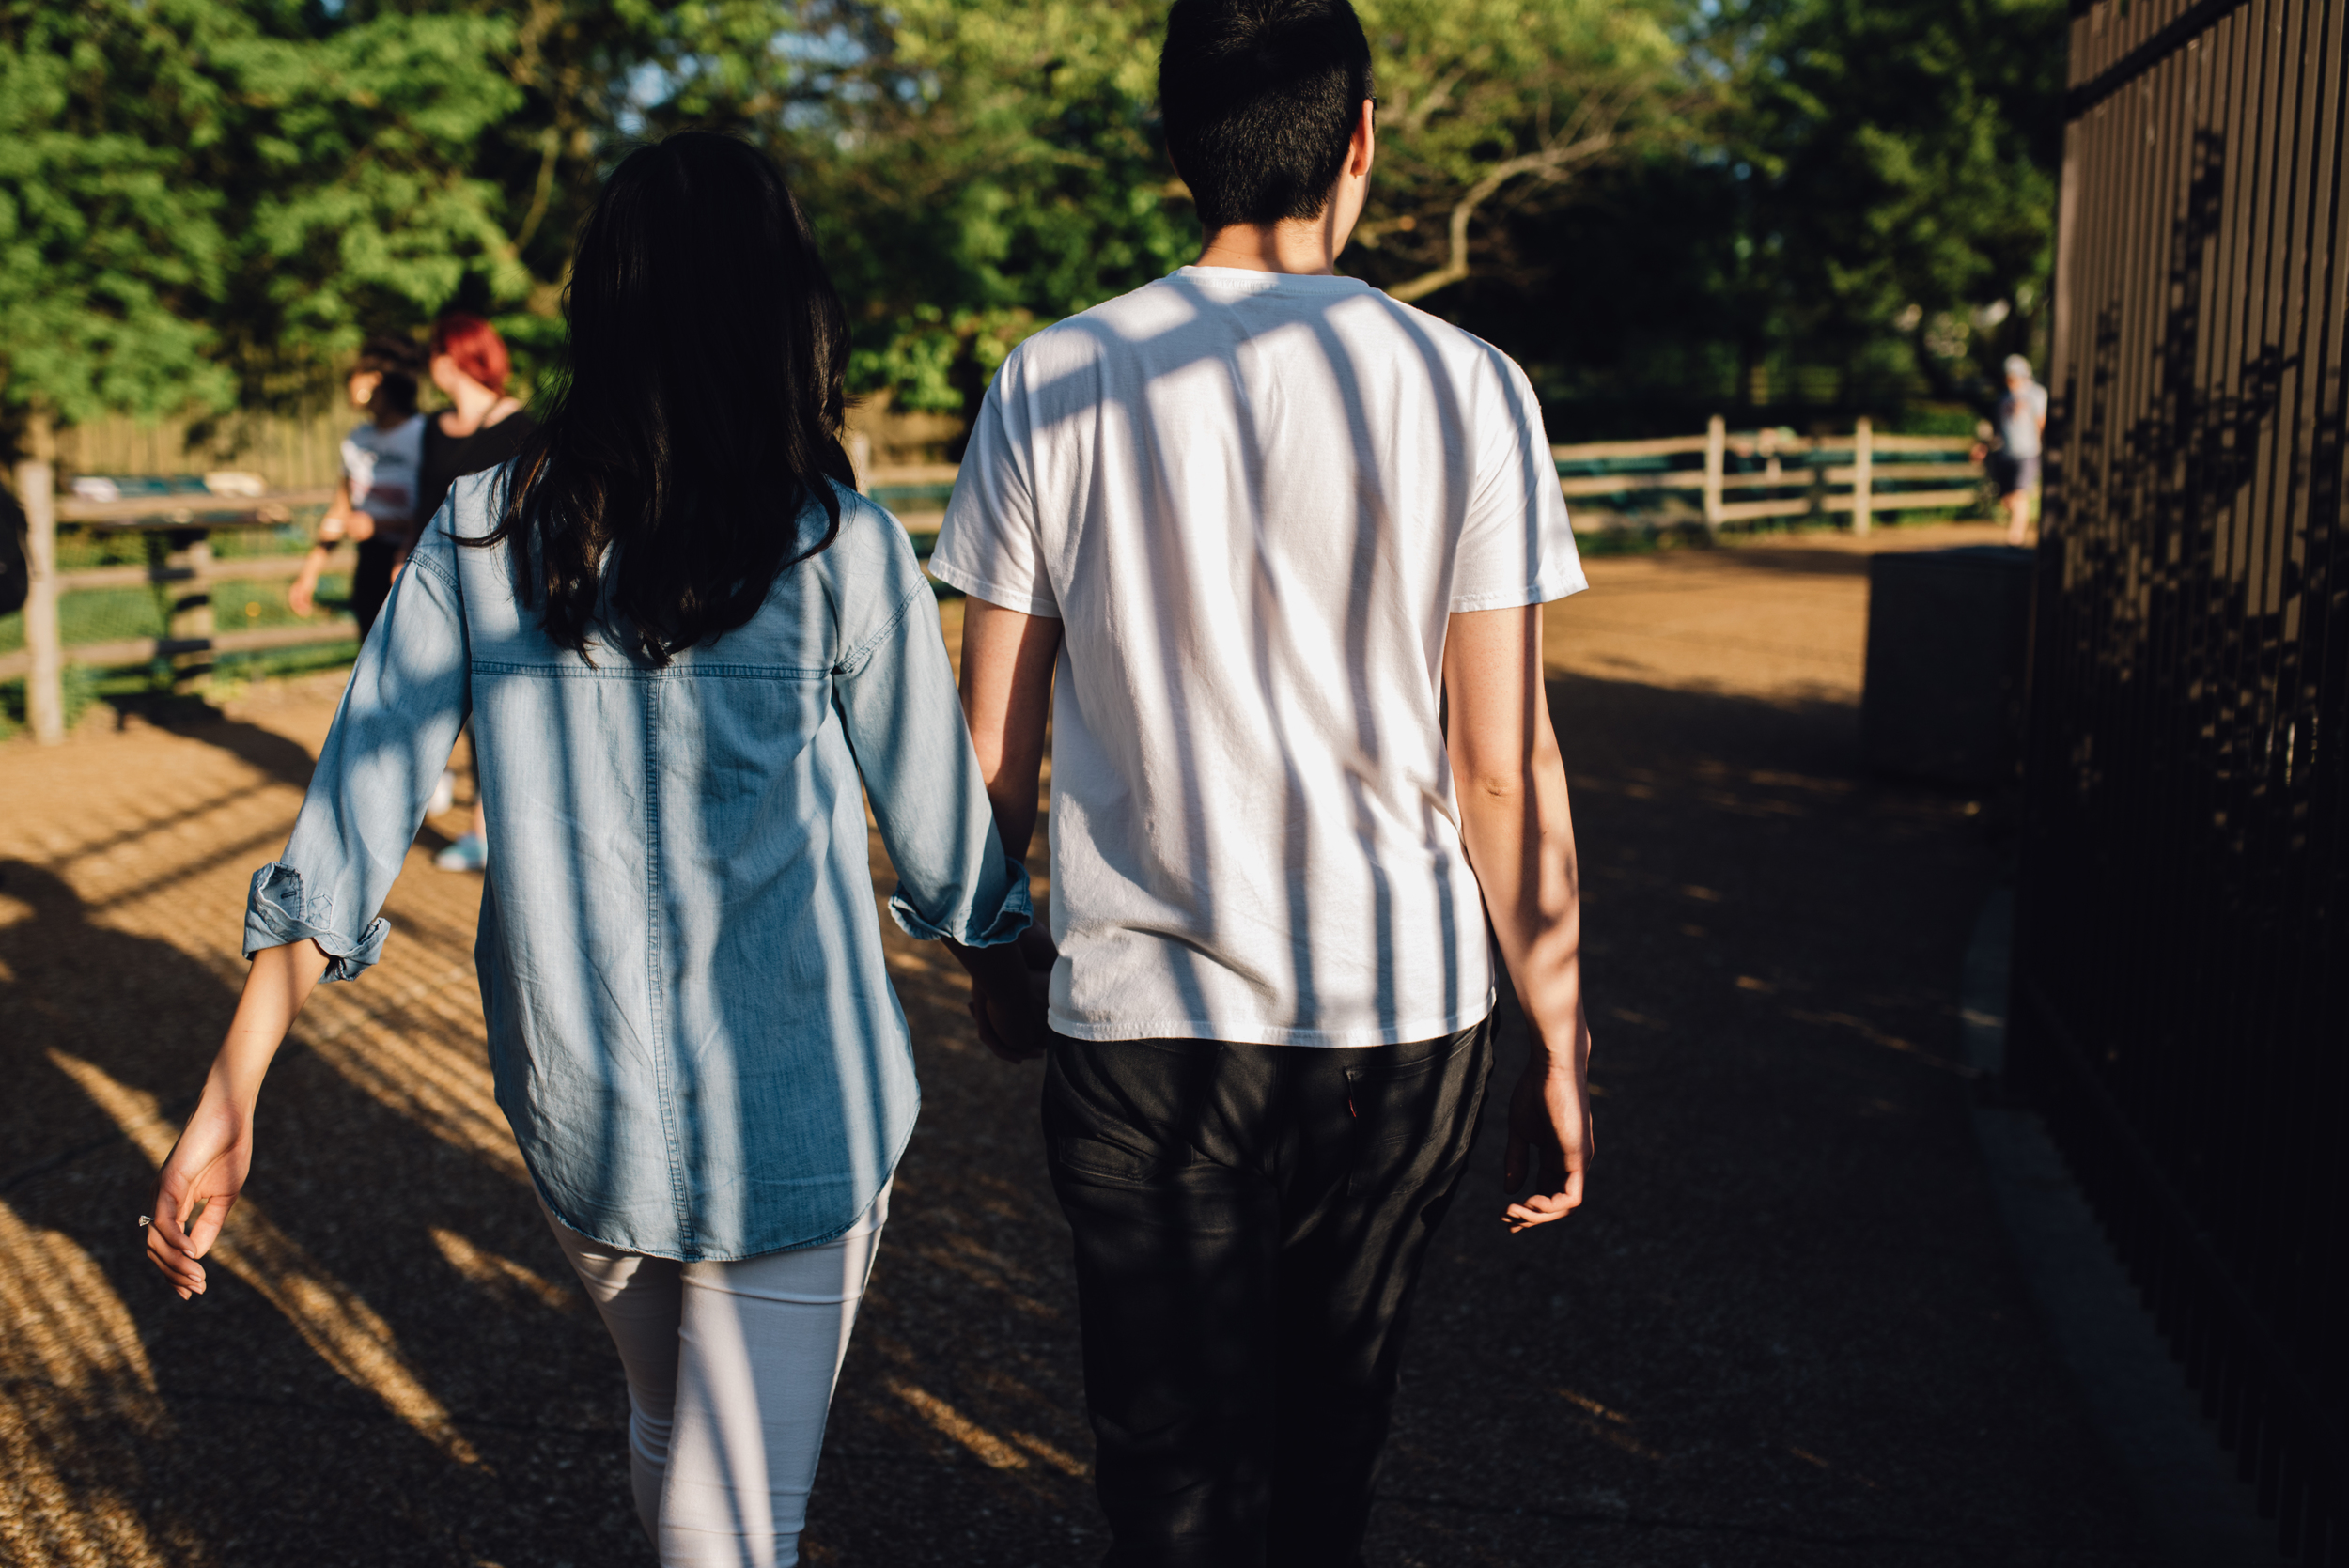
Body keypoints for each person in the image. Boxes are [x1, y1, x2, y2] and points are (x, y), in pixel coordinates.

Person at [142, 131, 1044, 1568]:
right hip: (804, 1124)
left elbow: (352, 814)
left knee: (677, 1437)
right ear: (786, 309)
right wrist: (1019, 981)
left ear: (600, 312)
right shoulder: (842, 549)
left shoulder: (480, 534)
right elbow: (949, 854)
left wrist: (230, 1087)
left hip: (583, 1111)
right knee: (722, 1514)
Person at [928, 2, 1596, 1561]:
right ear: (1359, 140)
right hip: (1400, 1015)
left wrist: (993, 952)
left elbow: (987, 753)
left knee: (1164, 1468)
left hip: (1142, 1013)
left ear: (1174, 149)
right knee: (1327, 1441)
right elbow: (1499, 762)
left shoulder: (1054, 377)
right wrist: (1558, 1031)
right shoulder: (1471, 387)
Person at [415, 312, 539, 875]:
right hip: (441, 588)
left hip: (505, 591)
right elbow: (423, 509)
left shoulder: (524, 426)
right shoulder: (432, 428)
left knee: (497, 709)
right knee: (444, 705)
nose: (433, 362)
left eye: (441, 351)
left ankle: (489, 828)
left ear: (463, 356)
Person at [288, 337, 427, 637]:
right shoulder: (356, 440)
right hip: (370, 564)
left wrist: (378, 524)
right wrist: (309, 574)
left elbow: (437, 508)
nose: (348, 383)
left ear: (375, 380)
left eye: (354, 374)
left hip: (414, 561)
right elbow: (341, 508)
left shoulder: (424, 435)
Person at [1980, 352, 2047, 546]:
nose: (2009, 379)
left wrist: (2042, 449)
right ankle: (2015, 535)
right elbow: (1999, 430)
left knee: (2020, 494)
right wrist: (1986, 447)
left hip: (2028, 452)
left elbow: (2040, 423)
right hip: (2006, 452)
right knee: (2008, 499)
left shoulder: (2037, 394)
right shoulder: (2003, 399)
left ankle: (2015, 538)